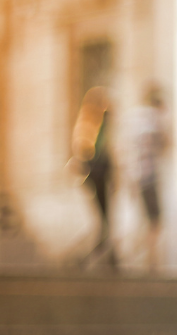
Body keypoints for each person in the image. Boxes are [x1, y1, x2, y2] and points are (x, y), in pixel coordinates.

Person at [72, 86, 115, 268]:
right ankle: (98, 254)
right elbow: (83, 149)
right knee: (101, 217)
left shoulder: (101, 124)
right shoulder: (89, 124)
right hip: (95, 174)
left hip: (101, 174)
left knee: (105, 216)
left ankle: (110, 256)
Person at [131, 83, 169, 272]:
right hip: (149, 177)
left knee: (147, 220)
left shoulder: (136, 119)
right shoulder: (153, 119)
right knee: (155, 221)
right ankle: (150, 261)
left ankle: (147, 258)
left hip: (137, 176)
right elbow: (165, 143)